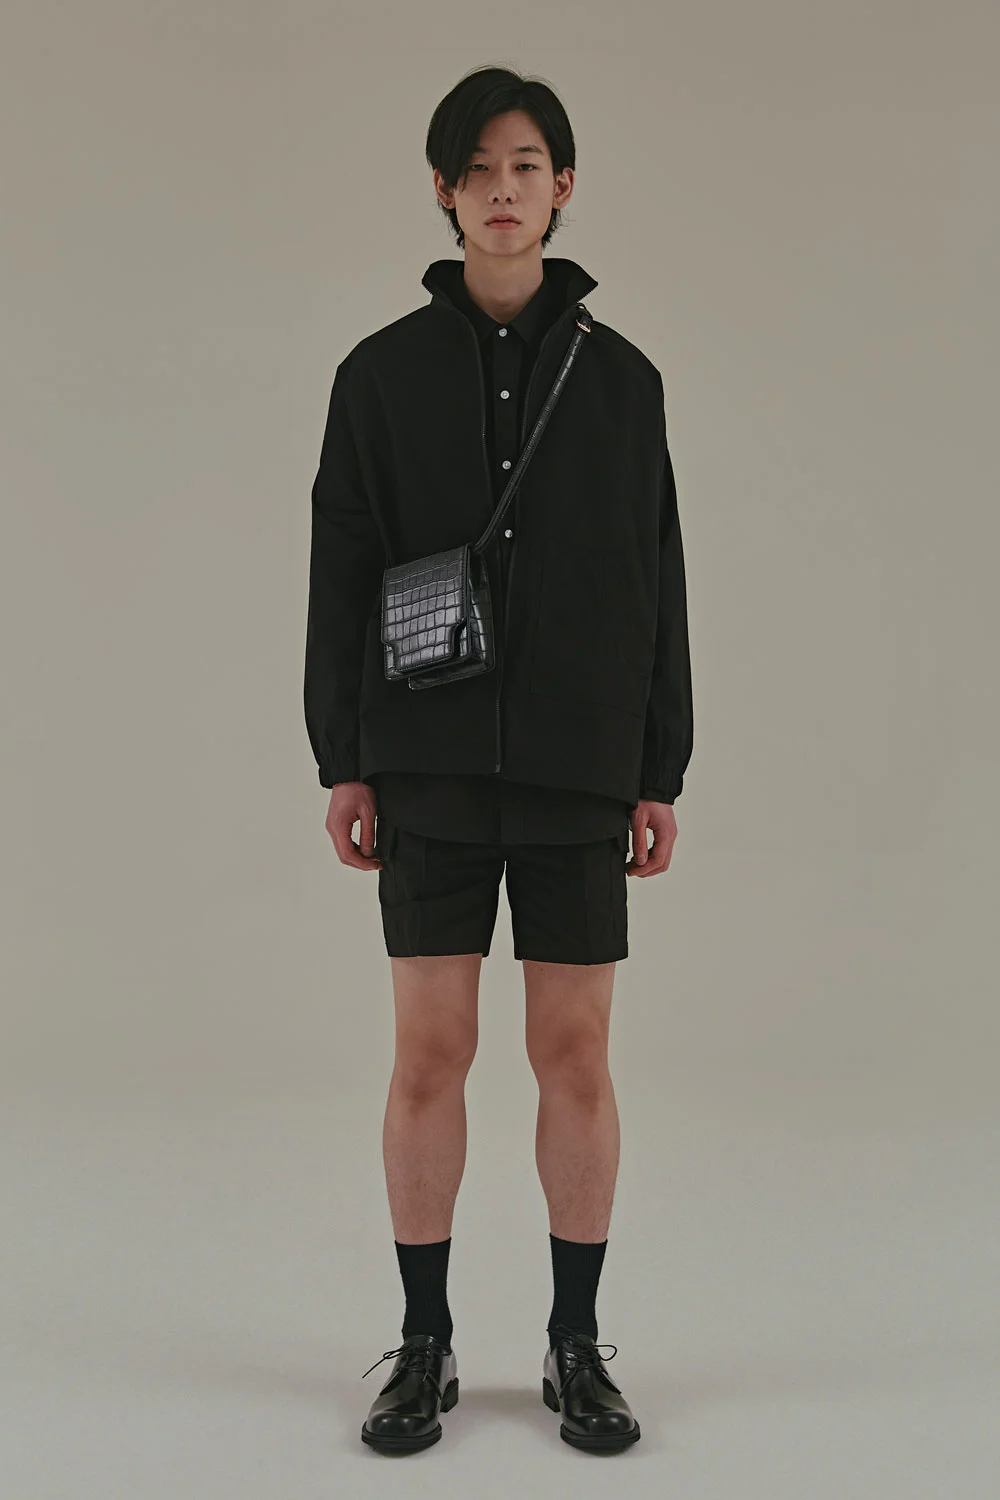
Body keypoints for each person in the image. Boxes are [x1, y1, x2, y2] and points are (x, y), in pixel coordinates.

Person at [303, 64, 693, 1455]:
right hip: (428, 760)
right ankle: (424, 1343)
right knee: (431, 1052)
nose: (504, 190)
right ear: (444, 192)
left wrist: (659, 766)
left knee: (573, 1053)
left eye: (527, 165)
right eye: (478, 168)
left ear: (563, 185)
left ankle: (576, 1344)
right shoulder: (378, 377)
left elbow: (658, 574)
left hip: (582, 762)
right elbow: (341, 566)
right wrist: (343, 757)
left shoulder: (625, 382)